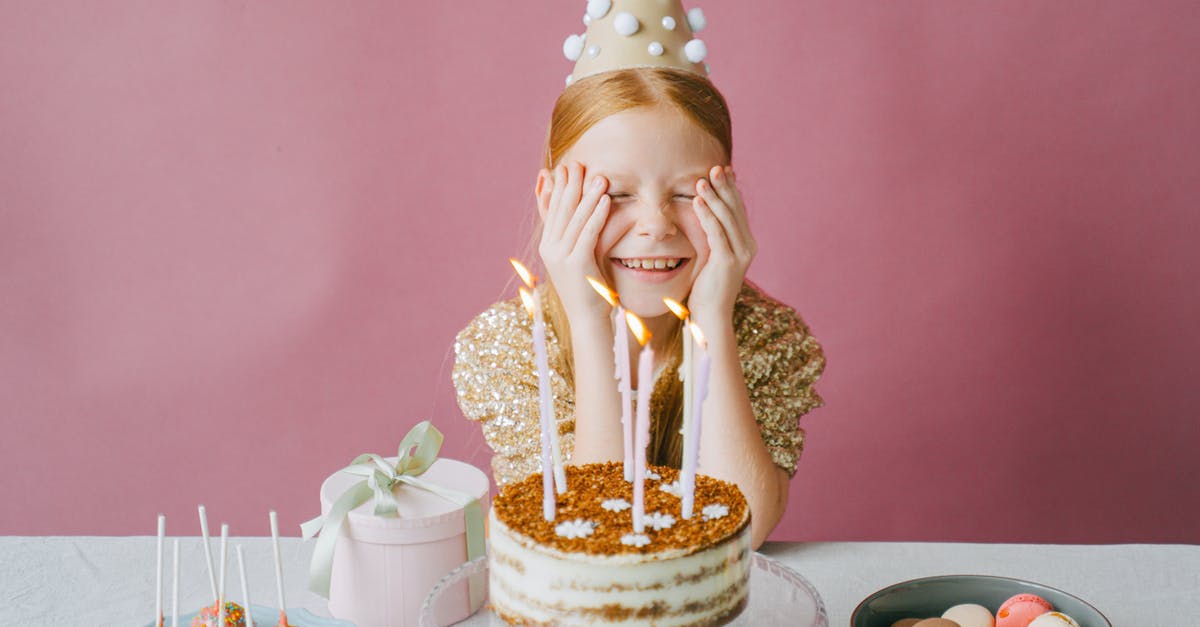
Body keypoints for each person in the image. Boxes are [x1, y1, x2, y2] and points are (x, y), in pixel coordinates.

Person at [453, 2, 824, 548]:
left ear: (728, 198)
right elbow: (591, 536)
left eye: (686, 193)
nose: (655, 225)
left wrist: (713, 321)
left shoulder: (769, 336)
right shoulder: (511, 346)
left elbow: (744, 530)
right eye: (617, 193)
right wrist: (588, 319)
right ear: (553, 199)